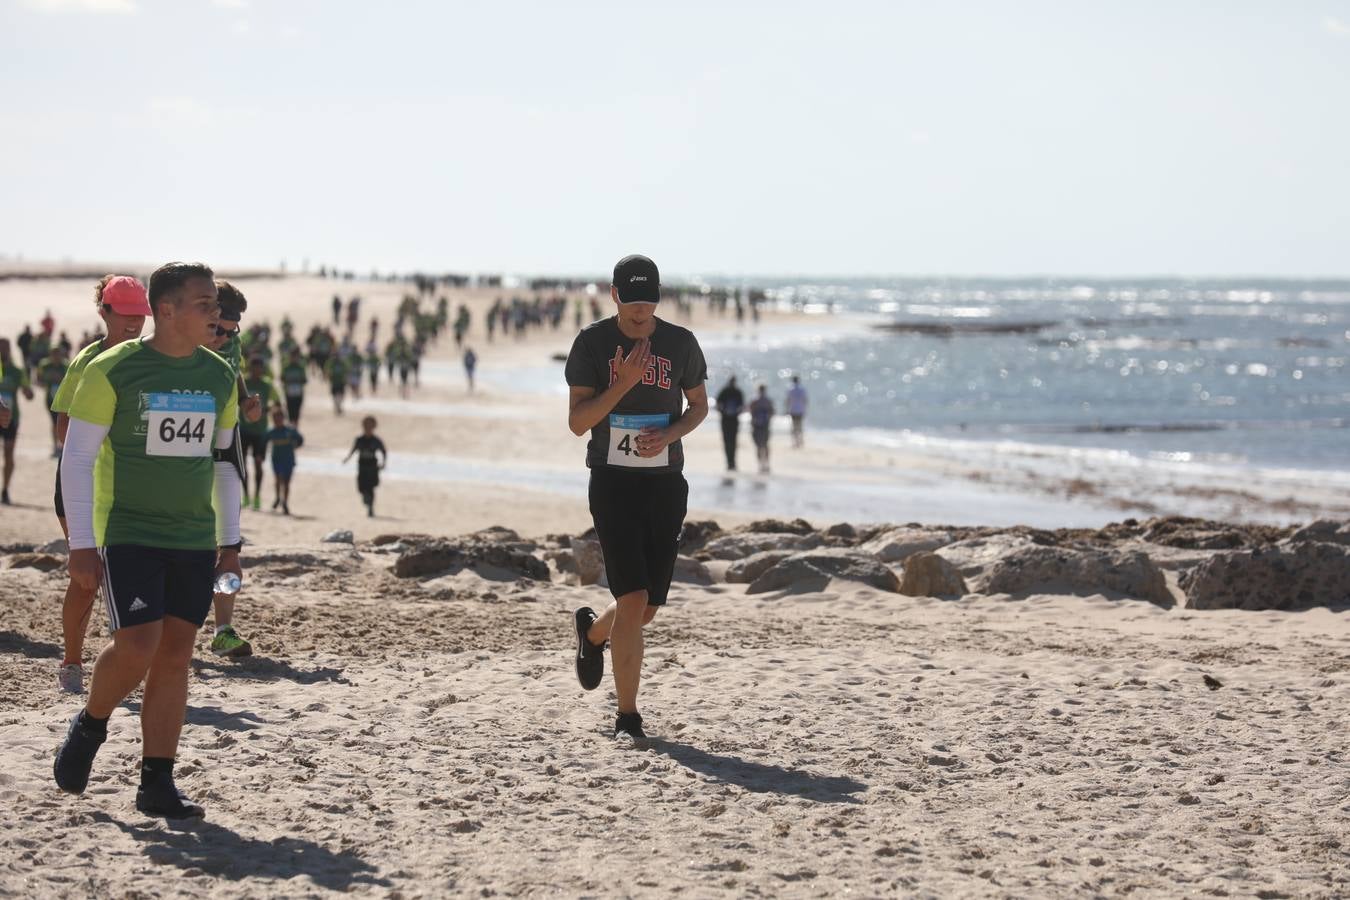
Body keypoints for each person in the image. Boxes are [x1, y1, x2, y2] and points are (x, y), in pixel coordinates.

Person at [53, 261, 241, 819]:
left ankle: (156, 782)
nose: (216, 313)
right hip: (128, 529)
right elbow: (78, 458)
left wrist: (230, 542)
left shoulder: (218, 375)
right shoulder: (113, 369)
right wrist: (81, 545)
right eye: (204, 304)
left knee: (176, 656)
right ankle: (90, 725)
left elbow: (225, 464)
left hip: (193, 535)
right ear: (167, 311)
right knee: (138, 645)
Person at [564, 254, 708, 742]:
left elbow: (699, 408)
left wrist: (670, 436)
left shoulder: (681, 343)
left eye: (649, 303)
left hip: (665, 482)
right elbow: (578, 421)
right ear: (614, 296)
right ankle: (628, 716)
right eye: (632, 304)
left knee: (644, 609)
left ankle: (592, 634)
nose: (641, 314)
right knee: (632, 596)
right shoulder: (592, 343)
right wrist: (622, 383)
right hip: (612, 481)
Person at [49, 275, 152, 693]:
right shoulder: (88, 361)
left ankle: (121, 659)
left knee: (131, 574)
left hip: (131, 487)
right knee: (87, 578)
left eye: (139, 315)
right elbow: (63, 431)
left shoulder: (152, 359)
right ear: (104, 312)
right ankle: (72, 662)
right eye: (123, 314)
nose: (132, 323)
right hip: (82, 483)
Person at [239, 356, 281, 511]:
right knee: (242, 465)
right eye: (253, 369)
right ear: (249, 369)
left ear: (262, 369)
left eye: (259, 369)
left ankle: (257, 495)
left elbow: (277, 403)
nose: (256, 372)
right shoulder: (244, 382)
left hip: (261, 431)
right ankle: (246, 495)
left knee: (258, 463)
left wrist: (265, 410)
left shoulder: (267, 385)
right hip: (243, 429)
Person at [0, 338, 36, 504]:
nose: (3, 351)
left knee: (8, 453)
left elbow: (27, 391)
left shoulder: (16, 371)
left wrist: (29, 392)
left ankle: (5, 489)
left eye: (6, 348)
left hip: (11, 418)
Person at [263, 406, 303, 515]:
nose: (277, 420)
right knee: (278, 479)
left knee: (286, 482)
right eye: (275, 418)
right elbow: (263, 441)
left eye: (279, 418)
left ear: (283, 418)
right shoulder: (271, 431)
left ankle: (285, 502)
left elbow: (300, 439)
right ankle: (277, 497)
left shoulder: (290, 430)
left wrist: (296, 445)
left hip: (289, 460)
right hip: (276, 460)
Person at [343, 416, 386, 517]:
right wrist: (347, 458)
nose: (368, 428)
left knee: (371, 488)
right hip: (362, 466)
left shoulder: (376, 440)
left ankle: (370, 507)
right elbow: (353, 450)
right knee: (361, 487)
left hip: (372, 466)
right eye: (366, 426)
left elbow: (383, 451)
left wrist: (383, 463)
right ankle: (367, 500)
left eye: (370, 426)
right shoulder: (359, 439)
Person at [37, 345, 70, 458]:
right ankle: (55, 445)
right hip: (50, 399)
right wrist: (47, 382)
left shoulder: (66, 365)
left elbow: (72, 381)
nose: (56, 357)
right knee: (54, 422)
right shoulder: (44, 365)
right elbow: (39, 380)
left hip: (64, 399)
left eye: (58, 354)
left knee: (63, 421)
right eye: (54, 354)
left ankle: (63, 445)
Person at [714, 375, 744, 471]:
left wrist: (723, 412)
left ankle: (730, 462)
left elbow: (717, 404)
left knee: (728, 442)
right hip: (732, 419)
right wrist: (734, 412)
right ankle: (731, 462)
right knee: (732, 442)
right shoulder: (737, 392)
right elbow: (742, 407)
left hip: (726, 419)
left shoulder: (725, 391)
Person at [748, 384, 774, 474]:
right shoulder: (768, 401)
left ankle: (760, 464)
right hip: (765, 425)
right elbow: (772, 412)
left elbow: (751, 412)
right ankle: (766, 464)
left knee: (758, 446)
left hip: (756, 425)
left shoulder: (755, 400)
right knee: (765, 445)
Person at [279, 347, 308, 424]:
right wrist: (289, 381)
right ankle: (291, 423)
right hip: (289, 392)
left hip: (298, 392)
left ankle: (295, 424)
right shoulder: (286, 367)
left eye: (296, 357)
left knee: (297, 409)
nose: (294, 358)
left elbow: (305, 380)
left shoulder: (301, 367)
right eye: (292, 356)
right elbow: (282, 378)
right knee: (290, 409)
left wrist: (298, 381)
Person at [786, 375, 808, 448]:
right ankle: (800, 441)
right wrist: (805, 408)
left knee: (794, 426)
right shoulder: (802, 389)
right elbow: (805, 400)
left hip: (793, 410)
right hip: (800, 410)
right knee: (800, 426)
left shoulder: (791, 389)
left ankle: (795, 442)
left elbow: (788, 400)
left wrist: (786, 409)